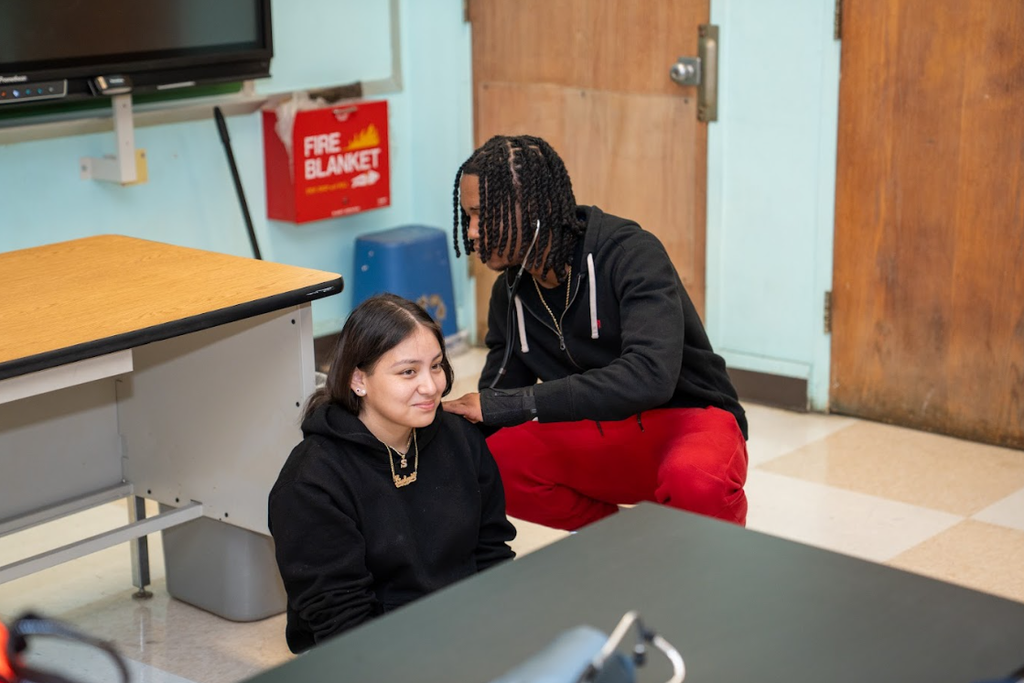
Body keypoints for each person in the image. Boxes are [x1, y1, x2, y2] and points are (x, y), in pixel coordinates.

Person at [443, 134, 748, 531]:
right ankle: (617, 544)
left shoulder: (630, 254)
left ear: (536, 209)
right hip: (604, 430)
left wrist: (515, 404)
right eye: (468, 217)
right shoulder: (511, 293)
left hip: (689, 418)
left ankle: (716, 568)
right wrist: (426, 425)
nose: (472, 232)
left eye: (484, 214)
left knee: (694, 479)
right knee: (489, 460)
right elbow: (500, 400)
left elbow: (650, 377)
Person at [268, 293, 516, 653]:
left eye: (436, 366)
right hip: (374, 655)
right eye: (408, 372)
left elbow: (493, 554)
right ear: (359, 380)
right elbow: (342, 625)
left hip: (463, 631)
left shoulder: (460, 439)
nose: (431, 386)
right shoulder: (311, 483)